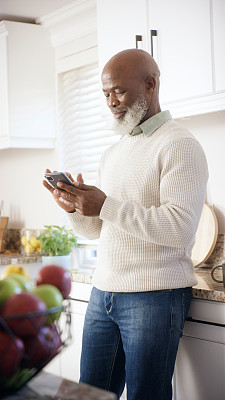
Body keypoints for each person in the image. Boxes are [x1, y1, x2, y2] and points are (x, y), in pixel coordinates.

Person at [43, 49, 208, 400]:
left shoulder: (180, 144)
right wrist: (75, 209)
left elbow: (179, 228)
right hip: (105, 292)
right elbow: (100, 229)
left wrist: (106, 205)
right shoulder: (112, 153)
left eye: (118, 90)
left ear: (149, 84)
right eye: (105, 94)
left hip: (156, 295)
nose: (111, 102)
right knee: (86, 395)